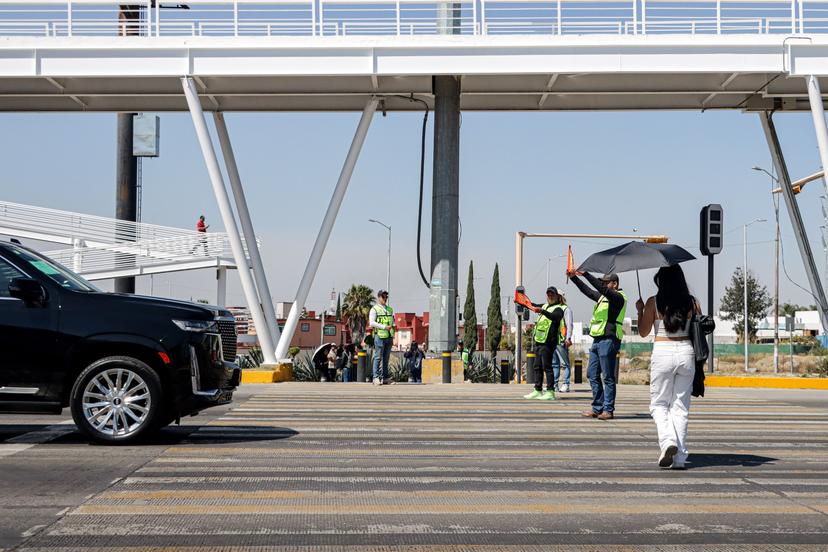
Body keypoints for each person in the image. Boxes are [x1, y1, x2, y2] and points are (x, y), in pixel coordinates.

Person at [636, 265, 699, 469]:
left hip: (663, 351)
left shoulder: (654, 302)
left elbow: (644, 332)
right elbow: (699, 329)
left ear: (660, 281)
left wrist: (640, 312)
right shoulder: (692, 302)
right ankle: (680, 458)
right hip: (686, 352)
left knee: (659, 404)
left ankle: (667, 441)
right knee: (680, 407)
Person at [567, 270, 628, 420]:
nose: (603, 285)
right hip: (597, 339)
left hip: (609, 339)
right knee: (592, 374)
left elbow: (601, 289)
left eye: (606, 283)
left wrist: (586, 274)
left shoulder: (618, 297)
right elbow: (586, 290)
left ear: (615, 284)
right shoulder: (603, 298)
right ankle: (597, 408)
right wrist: (574, 278)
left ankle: (608, 410)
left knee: (608, 376)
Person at [523, 286, 565, 401]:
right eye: (548, 294)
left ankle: (550, 391)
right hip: (539, 341)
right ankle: (538, 390)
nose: (550, 296)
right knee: (537, 366)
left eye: (552, 294)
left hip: (549, 342)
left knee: (547, 366)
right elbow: (532, 305)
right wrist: (521, 300)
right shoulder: (545, 305)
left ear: (557, 296)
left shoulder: (559, 308)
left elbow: (555, 317)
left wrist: (542, 311)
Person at [369, 290, 395, 385]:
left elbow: (392, 321)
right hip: (379, 336)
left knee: (386, 358)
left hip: (389, 336)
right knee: (377, 357)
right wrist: (384, 327)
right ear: (379, 297)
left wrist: (393, 329)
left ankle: (385, 378)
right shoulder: (374, 309)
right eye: (383, 297)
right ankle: (375, 377)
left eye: (386, 297)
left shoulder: (390, 309)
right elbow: (371, 323)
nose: (385, 299)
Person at [555, 292, 574, 393]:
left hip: (561, 340)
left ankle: (566, 384)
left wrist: (568, 338)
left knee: (565, 364)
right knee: (554, 364)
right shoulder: (552, 308)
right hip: (552, 340)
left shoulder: (566, 309)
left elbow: (569, 324)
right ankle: (554, 385)